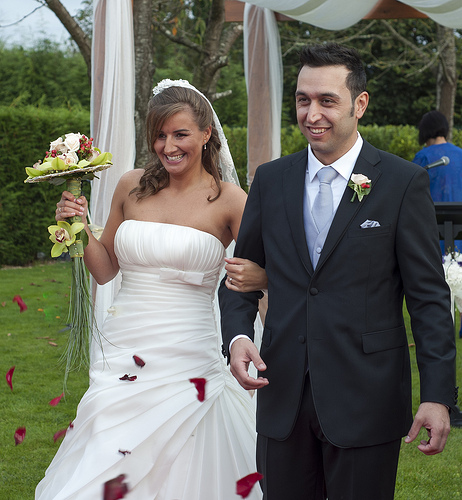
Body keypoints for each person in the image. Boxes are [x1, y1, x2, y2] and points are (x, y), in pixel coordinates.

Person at [219, 43, 457, 500]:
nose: (312, 114)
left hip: (366, 398)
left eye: (327, 100)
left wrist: (437, 395)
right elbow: (241, 275)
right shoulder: (271, 180)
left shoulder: (402, 183)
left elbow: (428, 299)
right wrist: (237, 336)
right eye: (303, 99)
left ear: (359, 104)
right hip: (282, 394)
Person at [35, 80, 267, 500]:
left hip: (189, 352)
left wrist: (260, 301)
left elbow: (262, 275)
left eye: (180, 134)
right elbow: (105, 270)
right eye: (160, 135)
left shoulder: (231, 200)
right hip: (124, 346)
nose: (168, 146)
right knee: (107, 446)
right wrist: (79, 227)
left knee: (186, 458)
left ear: (206, 133)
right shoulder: (131, 185)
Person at [412, 110, 462, 254]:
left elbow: (412, 192)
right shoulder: (460, 154)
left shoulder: (423, 157)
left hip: (433, 224)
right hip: (459, 223)